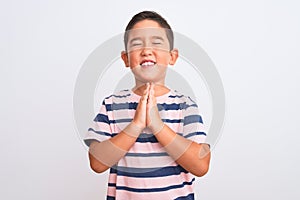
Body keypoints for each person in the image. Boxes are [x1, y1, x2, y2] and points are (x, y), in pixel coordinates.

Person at [84, 11, 211, 200]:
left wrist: (157, 125)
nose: (146, 50)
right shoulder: (111, 105)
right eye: (136, 44)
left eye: (156, 43)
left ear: (172, 57)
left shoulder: (185, 106)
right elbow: (97, 163)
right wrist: (135, 125)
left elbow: (201, 166)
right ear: (126, 58)